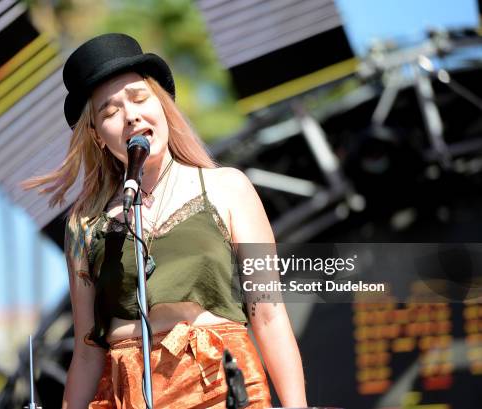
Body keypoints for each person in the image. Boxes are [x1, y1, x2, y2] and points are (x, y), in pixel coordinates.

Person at [25, 33, 307, 409]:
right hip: (130, 394)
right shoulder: (85, 223)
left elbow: (269, 315)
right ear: (95, 135)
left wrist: (296, 405)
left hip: (219, 384)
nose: (131, 116)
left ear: (162, 103)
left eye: (140, 98)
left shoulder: (228, 188)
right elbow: (87, 350)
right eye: (109, 112)